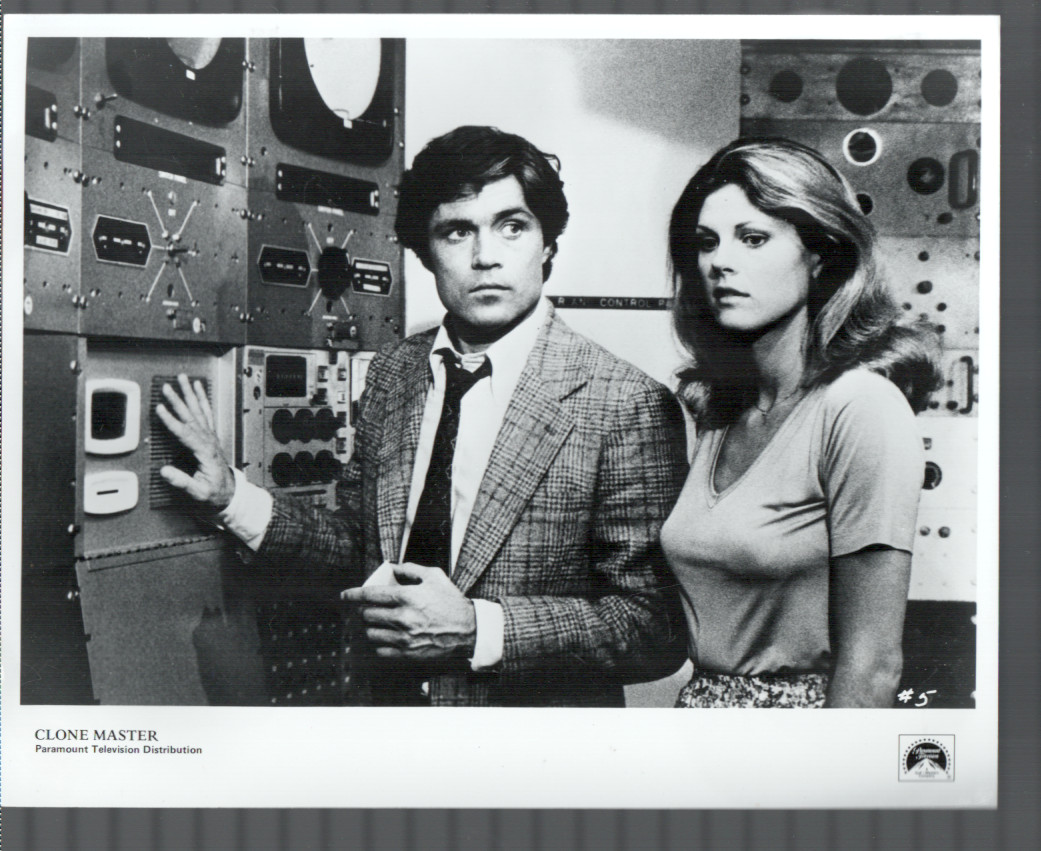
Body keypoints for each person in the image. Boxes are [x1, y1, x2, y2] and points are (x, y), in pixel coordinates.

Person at [157, 125, 689, 707]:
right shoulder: (394, 371)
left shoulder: (624, 403)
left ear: (547, 246)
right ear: (425, 253)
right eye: (457, 231)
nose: (486, 256)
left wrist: (479, 630)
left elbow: (655, 626)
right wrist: (232, 498)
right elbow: (358, 547)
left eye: (512, 226)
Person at [661, 137, 943, 708]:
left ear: (820, 255)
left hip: (801, 732)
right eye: (707, 242)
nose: (720, 262)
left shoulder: (860, 407)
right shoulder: (718, 410)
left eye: (753, 238)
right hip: (698, 725)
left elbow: (873, 666)